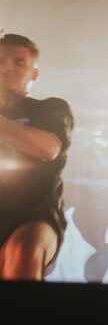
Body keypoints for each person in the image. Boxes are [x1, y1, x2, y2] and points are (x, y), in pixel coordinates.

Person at [0, 33, 74, 280]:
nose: (7, 67)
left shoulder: (51, 108)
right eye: (0, 60)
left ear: (34, 73)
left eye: (18, 62)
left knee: (24, 248)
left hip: (34, 215)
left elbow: (47, 148)